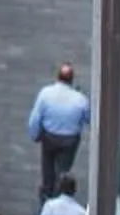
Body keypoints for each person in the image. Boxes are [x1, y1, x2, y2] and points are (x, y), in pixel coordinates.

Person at [27, 61, 91, 200]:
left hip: (49, 137)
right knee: (63, 168)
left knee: (47, 166)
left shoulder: (46, 93)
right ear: (72, 79)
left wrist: (34, 134)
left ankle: (47, 191)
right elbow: (88, 118)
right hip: (69, 139)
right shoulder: (80, 100)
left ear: (58, 77)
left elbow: (36, 117)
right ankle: (58, 192)